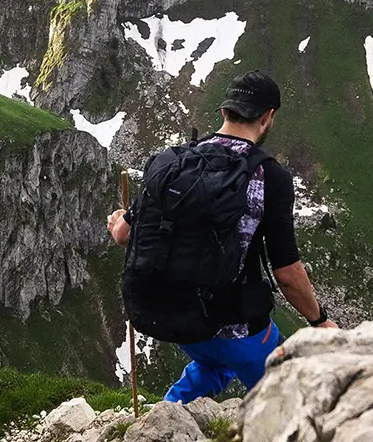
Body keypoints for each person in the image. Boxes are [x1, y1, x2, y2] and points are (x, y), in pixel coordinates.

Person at [106, 70, 337, 402]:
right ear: (268, 116)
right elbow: (287, 274)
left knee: (213, 363)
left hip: (181, 323)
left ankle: (168, 416)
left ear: (224, 111)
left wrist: (117, 222)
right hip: (240, 332)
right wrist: (320, 321)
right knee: (293, 394)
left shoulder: (172, 163)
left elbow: (125, 234)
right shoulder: (269, 176)